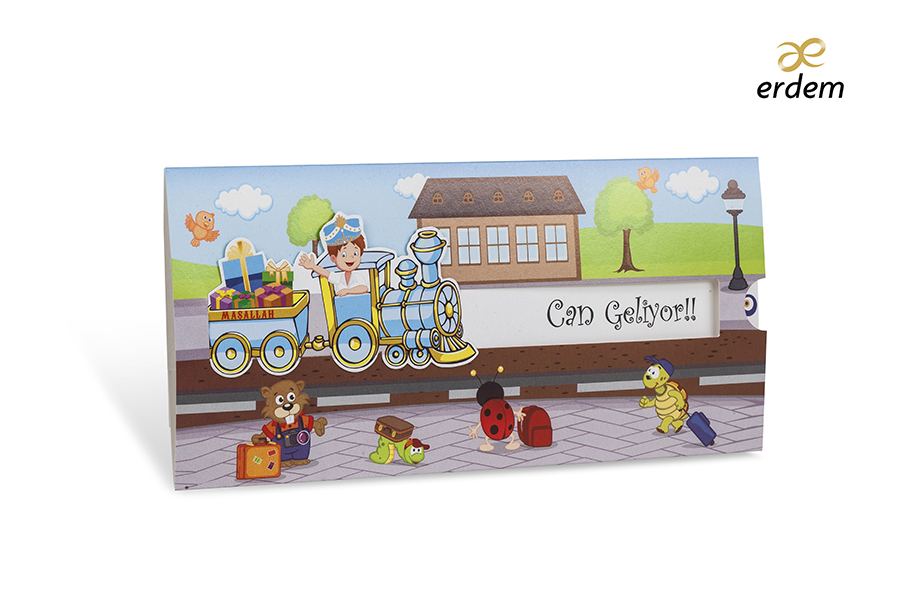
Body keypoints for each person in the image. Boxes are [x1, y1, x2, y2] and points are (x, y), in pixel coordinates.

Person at [297, 213, 369, 296]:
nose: (351, 257)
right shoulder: (339, 277)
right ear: (334, 258)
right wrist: (313, 266)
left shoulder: (357, 275)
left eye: (355, 253)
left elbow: (364, 288)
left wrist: (348, 291)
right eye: (344, 255)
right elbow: (325, 273)